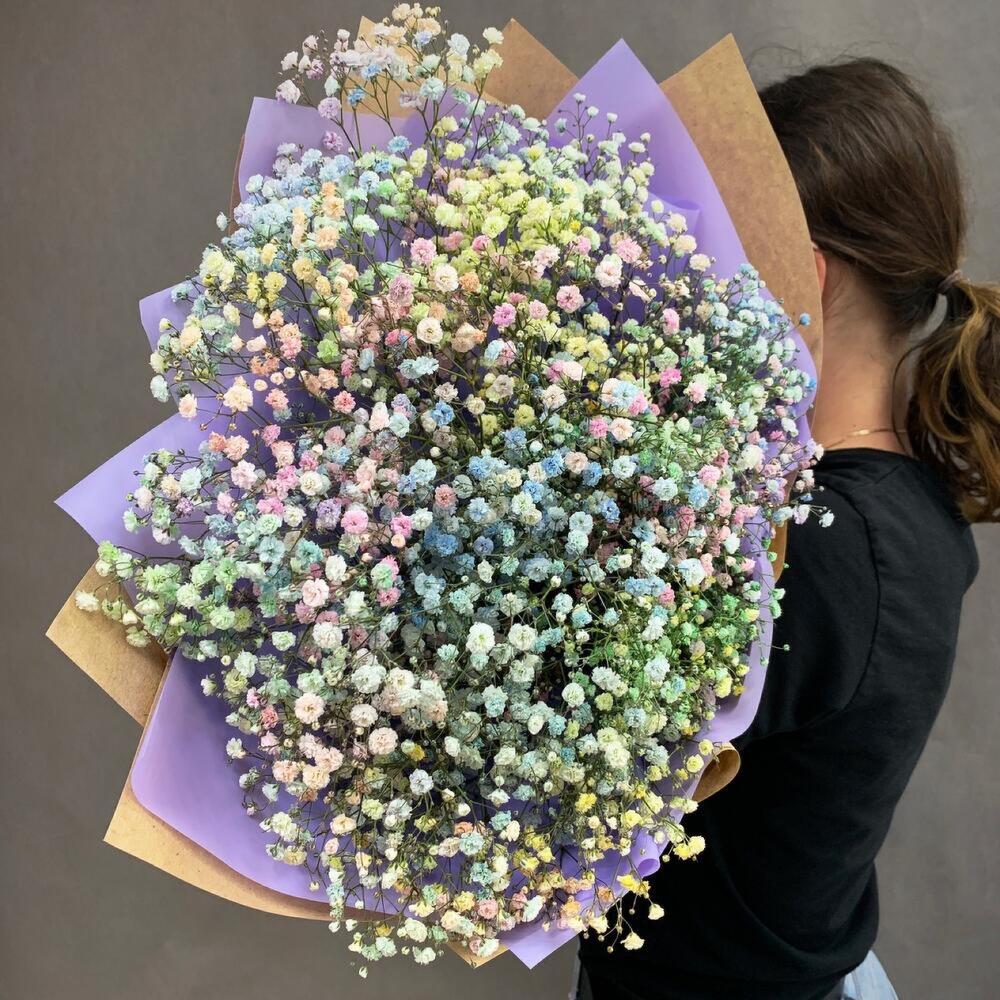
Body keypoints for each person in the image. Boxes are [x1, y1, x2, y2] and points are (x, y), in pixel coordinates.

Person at [576, 57, 999, 999]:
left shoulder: (823, 551)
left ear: (796, 272)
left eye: (716, 248)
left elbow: (589, 758)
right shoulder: (898, 504)